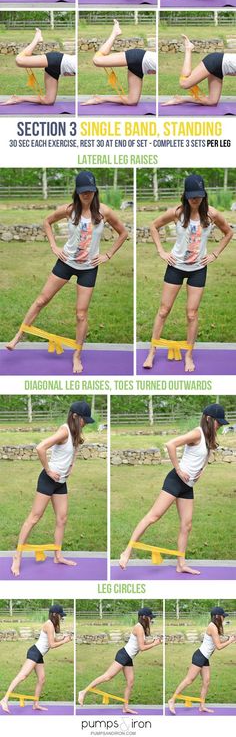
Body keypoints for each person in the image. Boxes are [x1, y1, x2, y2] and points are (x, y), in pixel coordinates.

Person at [7, 168, 128, 375]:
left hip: (88, 268)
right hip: (66, 262)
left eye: (89, 191)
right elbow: (47, 222)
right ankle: (18, 336)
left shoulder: (104, 212)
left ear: (95, 190)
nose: (86, 194)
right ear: (77, 191)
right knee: (41, 300)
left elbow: (123, 233)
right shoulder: (69, 209)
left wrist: (108, 255)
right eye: (83, 191)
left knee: (81, 314)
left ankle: (77, 355)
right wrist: (54, 246)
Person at [119, 402, 227, 573]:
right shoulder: (196, 433)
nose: (220, 426)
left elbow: (207, 454)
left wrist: (202, 470)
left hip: (188, 486)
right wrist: (178, 469)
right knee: (153, 516)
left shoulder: (208, 436)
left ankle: (181, 564)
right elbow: (170, 444)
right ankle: (127, 551)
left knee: (187, 524)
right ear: (208, 419)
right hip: (176, 481)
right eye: (218, 422)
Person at [142, 171, 233, 374]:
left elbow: (229, 232)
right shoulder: (177, 212)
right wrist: (161, 251)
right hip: (175, 267)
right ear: (185, 194)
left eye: (198, 195)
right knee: (164, 310)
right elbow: (154, 226)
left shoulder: (212, 214)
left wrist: (215, 254)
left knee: (192, 314)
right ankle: (152, 352)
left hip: (198, 269)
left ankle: (189, 355)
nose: (195, 199)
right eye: (191, 195)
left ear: (203, 194)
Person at [10, 400, 93, 580]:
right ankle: (17, 556)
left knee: (62, 518)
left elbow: (75, 448)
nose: (85, 422)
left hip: (61, 482)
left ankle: (58, 555)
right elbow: (40, 448)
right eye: (83, 419)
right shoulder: (64, 431)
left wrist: (71, 464)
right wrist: (48, 470)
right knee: (34, 517)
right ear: (75, 416)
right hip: (48, 480)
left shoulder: (75, 432)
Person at [79, 607, 160, 713]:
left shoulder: (141, 628)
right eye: (150, 617)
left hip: (128, 657)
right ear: (144, 617)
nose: (151, 620)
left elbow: (142, 644)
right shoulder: (139, 628)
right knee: (107, 676)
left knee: (130, 682)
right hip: (124, 655)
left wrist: (154, 641)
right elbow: (142, 648)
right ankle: (83, 692)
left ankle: (125, 707)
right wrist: (155, 643)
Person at [1, 603, 72, 713]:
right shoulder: (49, 624)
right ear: (54, 614)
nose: (61, 617)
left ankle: (35, 704)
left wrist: (62, 638)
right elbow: (52, 645)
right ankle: (4, 700)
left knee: (41, 679)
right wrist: (65, 641)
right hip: (35, 652)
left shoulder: (52, 625)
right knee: (22, 675)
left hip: (39, 655)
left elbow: (51, 640)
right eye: (60, 615)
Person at [168, 606, 235, 715]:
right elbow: (218, 646)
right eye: (223, 616)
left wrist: (228, 639)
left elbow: (216, 641)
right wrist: (230, 641)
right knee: (189, 679)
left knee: (206, 681)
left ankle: (202, 706)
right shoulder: (212, 626)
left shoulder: (215, 627)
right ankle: (172, 699)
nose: (224, 618)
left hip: (205, 658)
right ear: (217, 617)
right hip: (200, 656)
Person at [4, 26, 76, 109]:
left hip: (58, 69)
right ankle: (37, 38)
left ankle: (17, 98)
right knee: (19, 61)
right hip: (57, 60)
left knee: (49, 101)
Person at [92, 17, 156, 107]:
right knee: (97, 60)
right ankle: (115, 33)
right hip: (138, 57)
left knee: (132, 101)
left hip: (141, 67)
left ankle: (100, 98)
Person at [168, 34, 236, 108]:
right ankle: (188, 48)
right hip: (215, 61)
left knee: (212, 101)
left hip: (221, 69)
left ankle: (181, 99)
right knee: (184, 83)